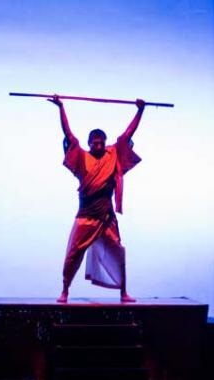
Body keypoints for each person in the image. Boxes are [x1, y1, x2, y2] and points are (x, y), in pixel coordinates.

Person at [48, 95, 146, 303]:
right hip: (86, 215)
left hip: (106, 216)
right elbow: (68, 134)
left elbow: (128, 134)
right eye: (95, 143)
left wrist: (140, 111)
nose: (99, 146)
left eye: (102, 143)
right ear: (89, 144)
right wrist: (60, 107)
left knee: (118, 250)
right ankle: (65, 290)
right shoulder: (82, 157)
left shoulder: (113, 154)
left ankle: (123, 292)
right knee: (73, 253)